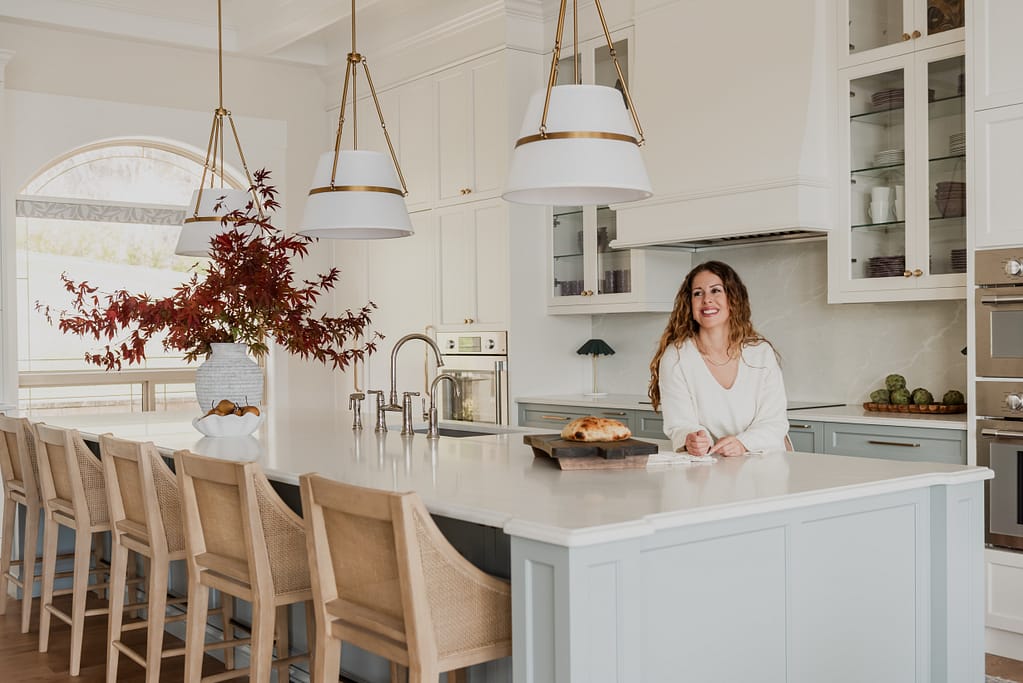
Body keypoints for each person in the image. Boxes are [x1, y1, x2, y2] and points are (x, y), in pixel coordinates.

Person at [648, 261, 788, 456]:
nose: (707, 300)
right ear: (689, 304)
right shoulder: (677, 357)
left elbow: (775, 422)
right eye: (698, 293)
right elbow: (680, 424)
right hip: (710, 467)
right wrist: (692, 439)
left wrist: (742, 443)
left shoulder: (760, 353)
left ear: (733, 298)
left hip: (766, 465)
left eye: (716, 291)